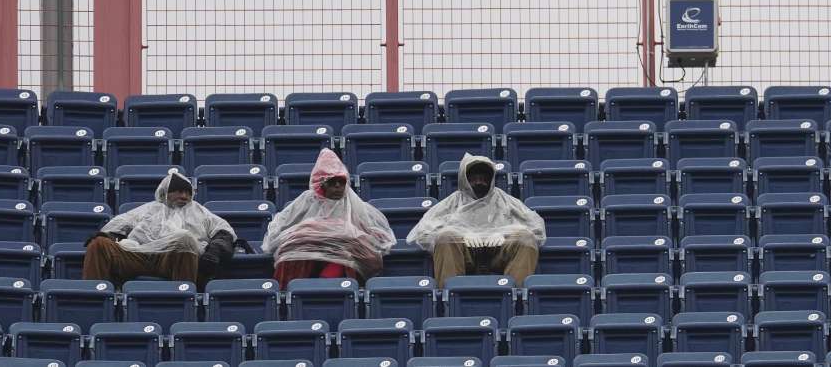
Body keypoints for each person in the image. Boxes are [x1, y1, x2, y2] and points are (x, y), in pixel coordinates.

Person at [263, 148, 396, 288]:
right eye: (332, 181)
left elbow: (373, 234)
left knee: (344, 254)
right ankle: (292, 292)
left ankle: (327, 288)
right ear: (321, 183)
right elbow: (280, 225)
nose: (338, 186)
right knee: (291, 253)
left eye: (341, 181)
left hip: (342, 254)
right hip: (308, 252)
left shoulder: (353, 203)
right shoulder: (307, 200)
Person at [408, 152, 546, 287]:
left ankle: (517, 297)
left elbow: (536, 229)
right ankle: (449, 296)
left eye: (484, 176)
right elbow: (423, 233)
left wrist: (507, 233)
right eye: (474, 176)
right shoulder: (452, 202)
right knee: (445, 236)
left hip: (499, 254)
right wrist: (459, 234)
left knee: (525, 237)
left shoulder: (506, 201)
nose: (479, 181)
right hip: (464, 254)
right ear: (465, 178)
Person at [83, 171, 236, 286]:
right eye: (179, 191)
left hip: (173, 259)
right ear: (166, 193)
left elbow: (224, 232)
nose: (184, 196)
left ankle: (183, 301)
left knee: (185, 238)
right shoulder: (149, 209)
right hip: (140, 256)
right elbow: (119, 225)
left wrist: (214, 251)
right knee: (98, 243)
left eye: (187, 192)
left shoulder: (200, 211)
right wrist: (108, 237)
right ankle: (93, 297)